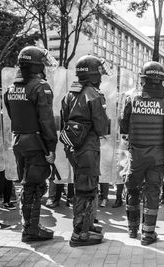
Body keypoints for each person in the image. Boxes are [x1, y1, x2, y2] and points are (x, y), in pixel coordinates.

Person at [4, 46, 58, 242]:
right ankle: (32, 229)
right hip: (37, 144)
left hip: (18, 141)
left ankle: (28, 225)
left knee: (26, 185)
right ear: (36, 65)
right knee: (35, 186)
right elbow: (46, 121)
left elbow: (12, 115)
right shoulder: (40, 87)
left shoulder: (11, 89)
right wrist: (51, 147)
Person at [120, 61, 164, 245]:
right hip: (157, 156)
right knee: (153, 192)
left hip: (135, 155)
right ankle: (148, 234)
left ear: (143, 79)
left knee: (133, 189)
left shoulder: (131, 98)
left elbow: (124, 127)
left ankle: (132, 229)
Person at [60, 55, 111, 247]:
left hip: (73, 147)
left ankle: (87, 225)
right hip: (88, 147)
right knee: (87, 188)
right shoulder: (94, 95)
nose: (101, 76)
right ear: (92, 74)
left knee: (82, 184)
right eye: (99, 72)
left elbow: (64, 120)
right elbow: (101, 127)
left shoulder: (70, 94)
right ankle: (80, 232)